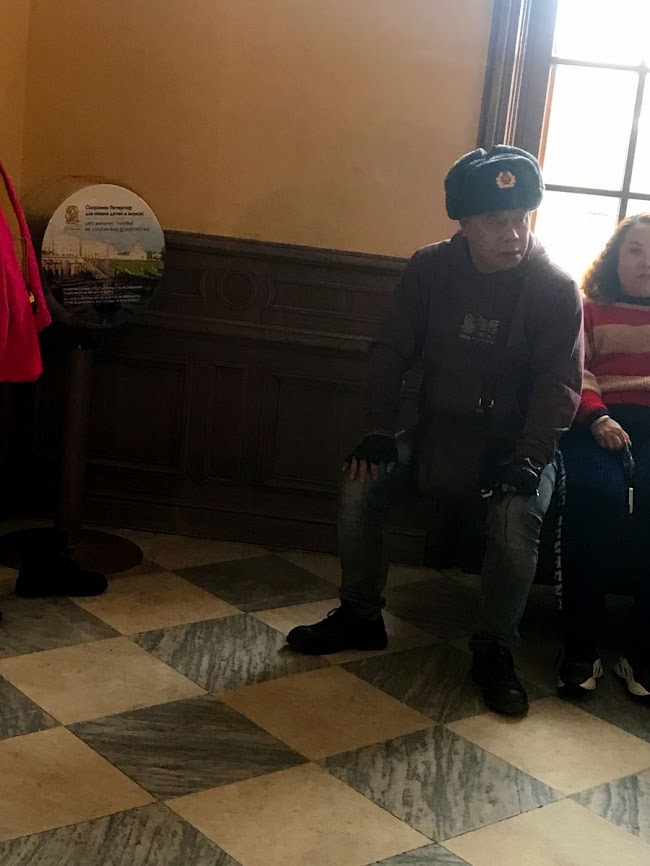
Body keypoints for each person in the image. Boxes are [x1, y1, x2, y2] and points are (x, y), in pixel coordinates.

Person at [286, 145, 583, 717]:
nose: (514, 234)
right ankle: (360, 614)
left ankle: (495, 649)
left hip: (517, 448)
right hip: (438, 436)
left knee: (515, 519)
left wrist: (530, 457)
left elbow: (559, 387)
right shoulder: (430, 268)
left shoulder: (553, 288)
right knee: (358, 485)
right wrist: (377, 428)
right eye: (498, 221)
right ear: (465, 225)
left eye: (522, 218)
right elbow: (390, 350)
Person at [557, 213, 650, 701]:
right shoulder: (589, 308)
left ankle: (640, 653)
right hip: (597, 424)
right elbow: (578, 372)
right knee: (595, 497)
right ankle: (580, 647)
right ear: (615, 255)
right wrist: (596, 418)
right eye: (635, 249)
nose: (646, 261)